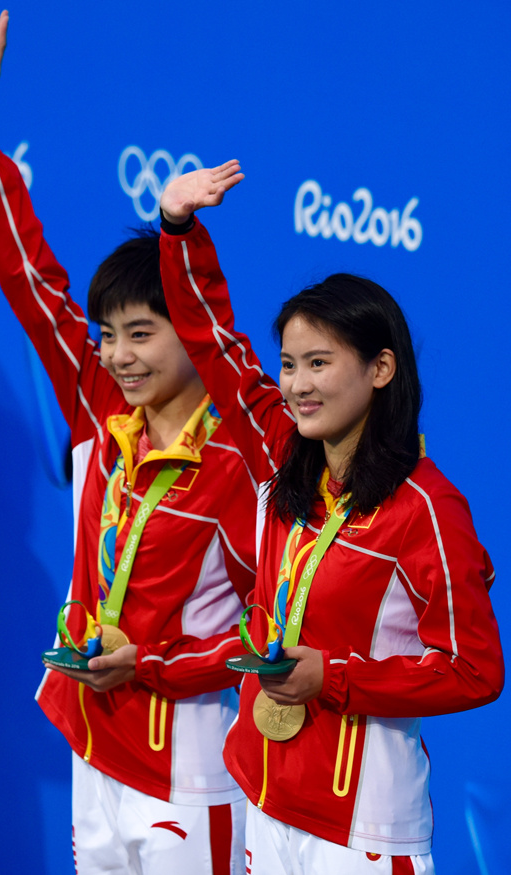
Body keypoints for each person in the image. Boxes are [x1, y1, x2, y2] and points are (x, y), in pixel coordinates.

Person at [0, 12, 257, 875]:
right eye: (108, 335)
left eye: (142, 335)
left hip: (190, 769)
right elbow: (30, 280)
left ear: (193, 333)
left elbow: (265, 632)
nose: (119, 356)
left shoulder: (244, 458)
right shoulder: (97, 409)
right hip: (92, 745)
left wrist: (152, 663)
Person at [156, 163, 505, 874]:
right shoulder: (282, 450)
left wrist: (338, 678)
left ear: (381, 369)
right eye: (289, 364)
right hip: (263, 791)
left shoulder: (427, 508)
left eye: (319, 362)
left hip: (363, 826)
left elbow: (475, 669)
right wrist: (178, 227)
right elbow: (213, 342)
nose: (297, 385)